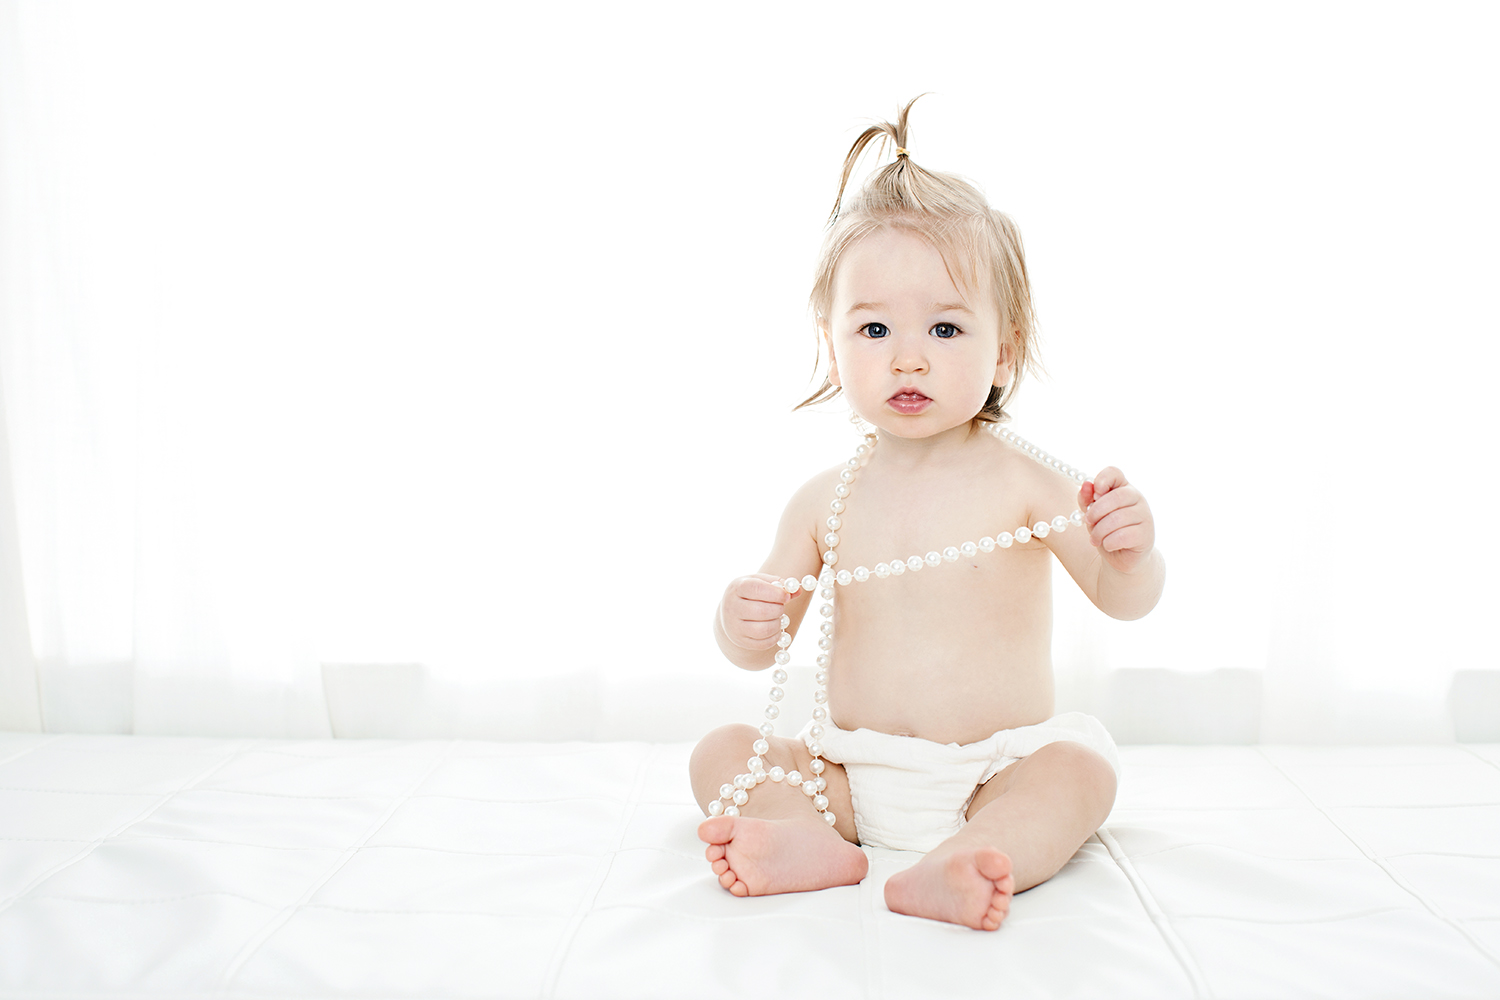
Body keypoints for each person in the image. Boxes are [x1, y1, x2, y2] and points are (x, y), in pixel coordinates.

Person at [687, 98, 1165, 932]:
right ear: (833, 345)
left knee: (1081, 772)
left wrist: (1131, 553)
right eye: (873, 328)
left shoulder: (1029, 482)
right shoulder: (822, 498)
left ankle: (977, 855)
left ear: (1004, 349)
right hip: (846, 771)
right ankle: (806, 839)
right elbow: (760, 644)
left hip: (993, 770)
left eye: (945, 328)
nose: (908, 356)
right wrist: (742, 617)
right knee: (720, 753)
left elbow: (1124, 598)